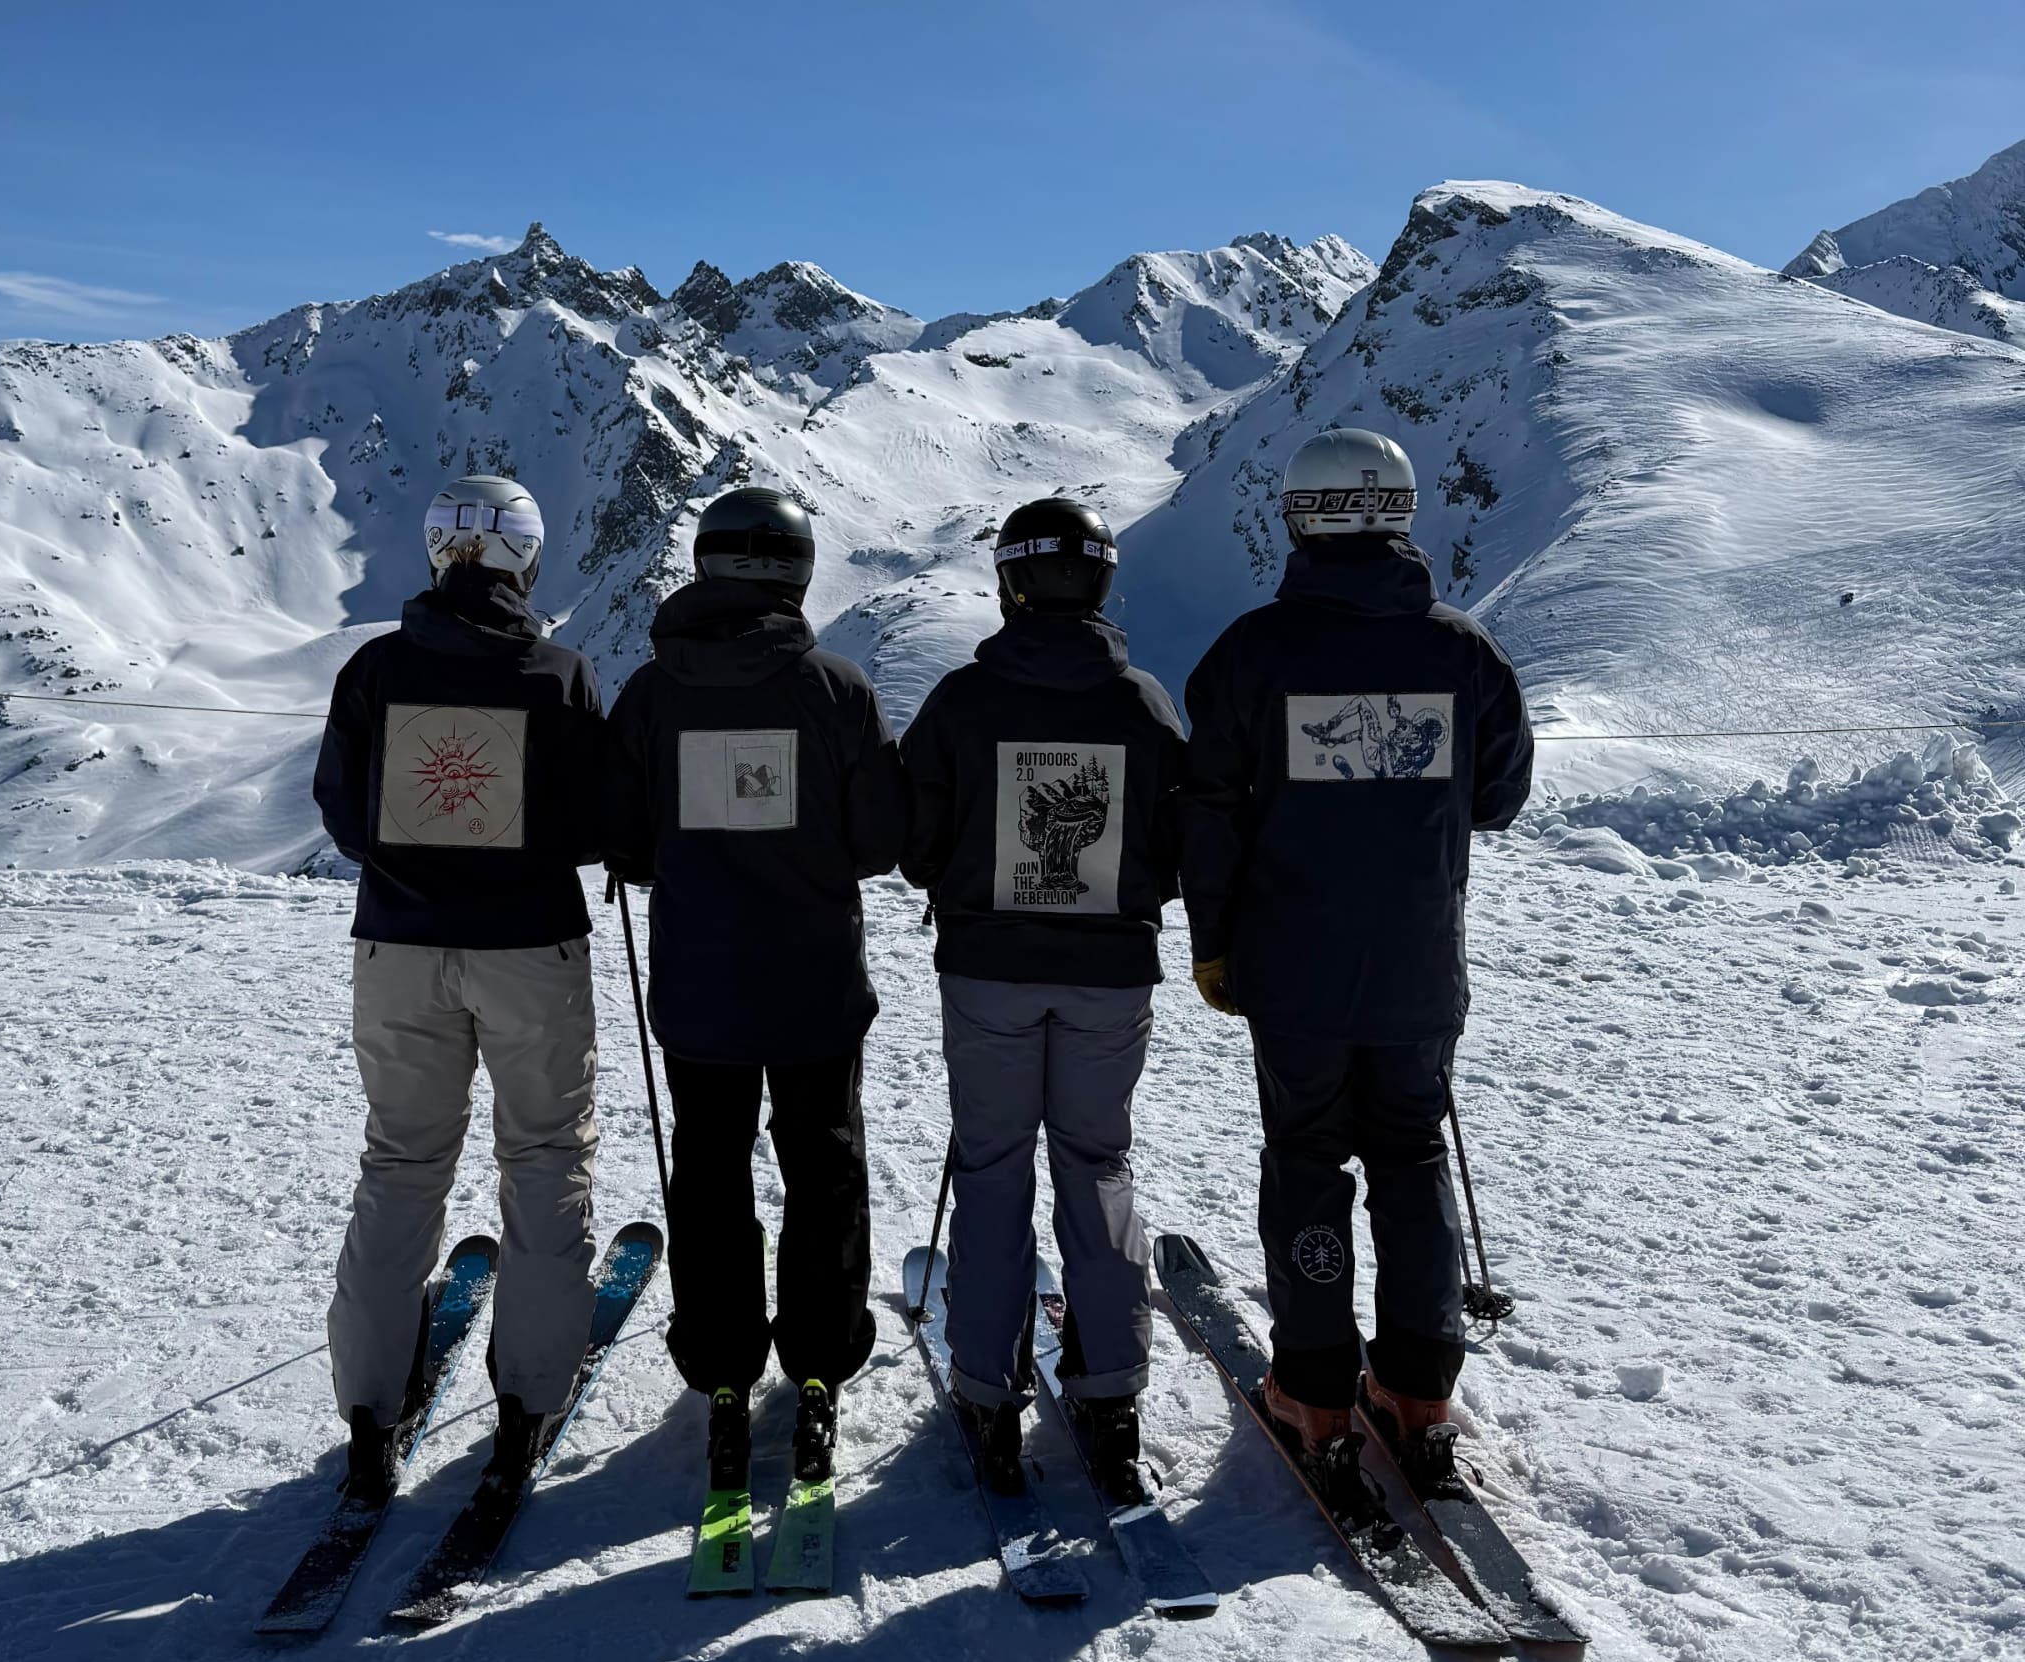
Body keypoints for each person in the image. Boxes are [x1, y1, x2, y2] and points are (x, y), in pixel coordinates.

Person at [1177, 427, 1534, 1483]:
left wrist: (1213, 946)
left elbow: (1208, 814)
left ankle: (1316, 1394)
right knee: (1412, 1159)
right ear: (1403, 513)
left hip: (1292, 968)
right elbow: (1500, 800)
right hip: (1420, 968)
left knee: (1308, 1163)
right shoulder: (1463, 651)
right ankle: (1420, 1389)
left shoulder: (1252, 653)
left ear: (1296, 519)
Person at [603, 486, 909, 1493]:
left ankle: (723, 1373)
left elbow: (631, 847)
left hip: (700, 986)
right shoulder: (837, 691)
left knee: (709, 1167)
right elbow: (876, 843)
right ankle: (819, 1363)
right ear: (799, 569)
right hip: (816, 982)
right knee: (824, 1166)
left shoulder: (652, 695)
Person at [313, 474, 607, 1504]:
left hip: (398, 947)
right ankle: (528, 1403)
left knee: (401, 1162)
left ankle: (366, 1413)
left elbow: (344, 817)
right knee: (543, 1160)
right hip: (530, 947)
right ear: (529, 558)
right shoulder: (560, 674)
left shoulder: (374, 671)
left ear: (438, 555)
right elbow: (592, 822)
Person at [898, 497, 1187, 1504]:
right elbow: (1177, 846)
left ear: (1010, 584)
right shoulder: (1143, 704)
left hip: (987, 970)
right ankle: (1109, 1395)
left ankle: (988, 1388)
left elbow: (916, 841)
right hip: (1111, 976)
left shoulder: (963, 702)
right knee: (1097, 1165)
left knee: (991, 1169)